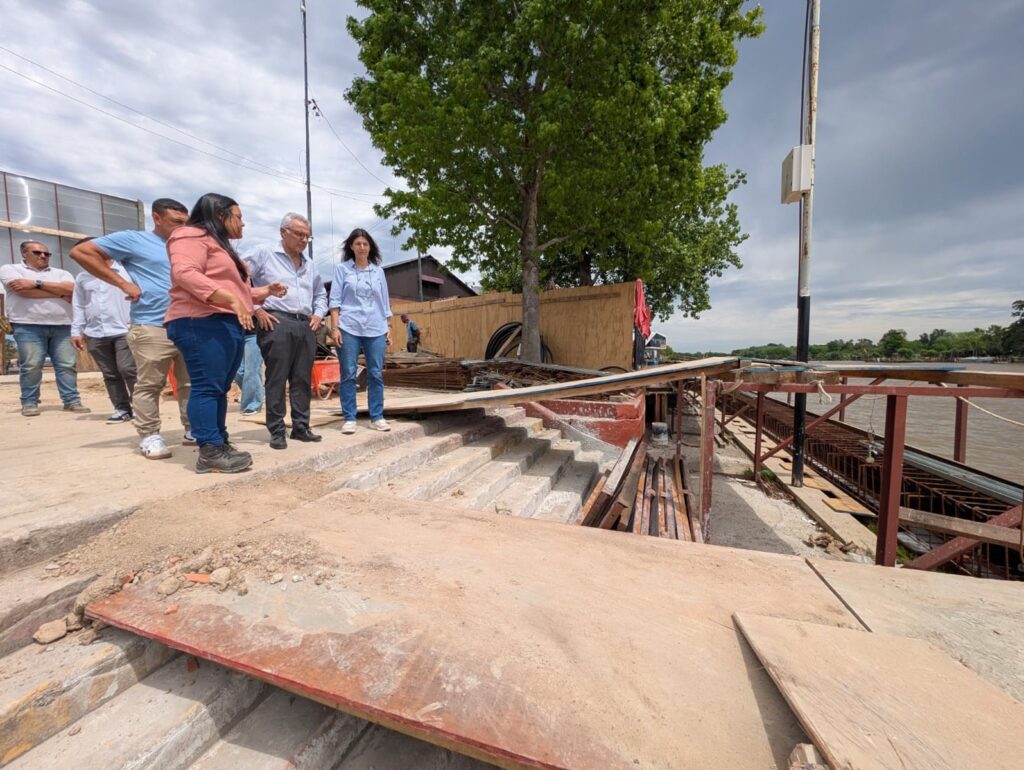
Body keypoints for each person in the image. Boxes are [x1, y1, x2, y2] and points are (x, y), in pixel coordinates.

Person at [165, 193, 286, 474]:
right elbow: (185, 273)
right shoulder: (189, 236)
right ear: (221, 215)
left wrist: (263, 292)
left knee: (219, 388)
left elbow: (238, 292)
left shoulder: (221, 246)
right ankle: (209, 450)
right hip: (200, 320)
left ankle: (219, 442)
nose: (242, 224)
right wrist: (230, 300)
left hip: (224, 321)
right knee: (207, 386)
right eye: (239, 217)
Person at [70, 199, 192, 459]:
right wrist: (123, 285)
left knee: (189, 383)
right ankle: (149, 435)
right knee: (149, 383)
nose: (182, 227)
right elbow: (82, 252)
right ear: (156, 218)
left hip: (189, 324)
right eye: (176, 222)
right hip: (152, 324)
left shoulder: (185, 246)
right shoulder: (134, 240)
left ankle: (192, 429)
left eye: (185, 222)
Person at [243, 213, 328, 450]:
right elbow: (238, 276)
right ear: (283, 232)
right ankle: (277, 430)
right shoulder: (264, 253)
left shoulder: (310, 264)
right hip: (276, 322)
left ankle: (301, 427)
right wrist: (256, 308)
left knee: (301, 378)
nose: (303, 240)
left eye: (307, 236)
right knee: (277, 378)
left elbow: (320, 293)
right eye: (299, 234)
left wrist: (319, 314)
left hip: (305, 325)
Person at [0, 241, 88, 415]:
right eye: (37, 253)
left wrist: (35, 284)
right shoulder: (10, 269)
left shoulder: (62, 273)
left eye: (46, 254)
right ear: (24, 253)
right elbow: (21, 291)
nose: (43, 256)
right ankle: (29, 402)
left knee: (67, 365)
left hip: (63, 325)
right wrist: (58, 292)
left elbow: (72, 289)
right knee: (31, 365)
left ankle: (71, 401)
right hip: (27, 325)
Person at [328, 228, 393, 434]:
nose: (362, 247)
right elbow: (335, 300)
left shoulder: (378, 271)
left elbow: (384, 301)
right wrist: (335, 327)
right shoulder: (342, 270)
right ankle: (349, 417)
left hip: (375, 327)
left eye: (365, 244)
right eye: (358, 244)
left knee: (375, 373)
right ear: (351, 247)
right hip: (349, 326)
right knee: (348, 373)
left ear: (370, 247)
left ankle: (377, 416)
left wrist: (388, 326)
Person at [70, 239, 136, 422]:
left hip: (124, 329)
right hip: (95, 333)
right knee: (110, 374)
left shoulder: (126, 271)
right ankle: (122, 409)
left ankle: (140, 408)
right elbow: (79, 305)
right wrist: (76, 331)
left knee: (128, 369)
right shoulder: (83, 277)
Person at [233, 334, 264, 415]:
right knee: (237, 371)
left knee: (252, 370)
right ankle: (260, 393)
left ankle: (252, 405)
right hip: (238, 333)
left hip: (254, 334)